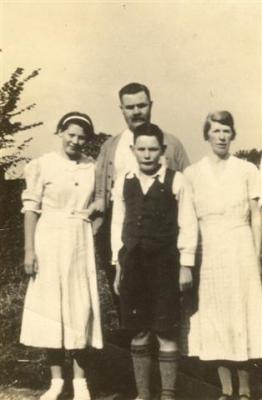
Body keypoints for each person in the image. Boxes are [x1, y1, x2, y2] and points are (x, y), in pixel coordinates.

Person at [111, 122, 197, 400]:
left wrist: (185, 265)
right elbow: (117, 224)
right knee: (139, 331)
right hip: (133, 265)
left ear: (162, 150)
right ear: (133, 150)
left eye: (153, 149)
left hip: (164, 265)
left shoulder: (176, 180)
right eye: (142, 149)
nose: (147, 155)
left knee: (166, 331)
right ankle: (144, 394)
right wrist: (118, 265)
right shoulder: (125, 180)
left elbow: (188, 224)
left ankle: (168, 394)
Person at [20, 112, 103, 400]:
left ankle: (80, 382)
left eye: (82, 137)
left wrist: (91, 224)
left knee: (80, 308)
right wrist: (30, 250)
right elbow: (31, 209)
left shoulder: (92, 167)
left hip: (79, 240)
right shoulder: (42, 165)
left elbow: (101, 205)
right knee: (51, 308)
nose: (76, 141)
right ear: (60, 132)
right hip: (48, 239)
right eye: (71, 134)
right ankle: (56, 381)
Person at [184, 111, 262, 400]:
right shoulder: (192, 174)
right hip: (210, 251)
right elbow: (189, 221)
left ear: (233, 135)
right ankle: (225, 390)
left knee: (242, 314)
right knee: (215, 316)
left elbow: (256, 217)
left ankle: (244, 390)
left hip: (241, 249)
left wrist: (256, 254)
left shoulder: (247, 170)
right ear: (207, 134)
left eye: (226, 130)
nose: (221, 136)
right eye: (215, 130)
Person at [92, 82, 190, 233]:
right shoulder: (110, 146)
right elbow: (99, 190)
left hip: (162, 229)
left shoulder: (172, 144)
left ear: (151, 105)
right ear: (122, 109)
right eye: (130, 107)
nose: (136, 112)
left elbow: (188, 188)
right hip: (118, 224)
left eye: (141, 105)